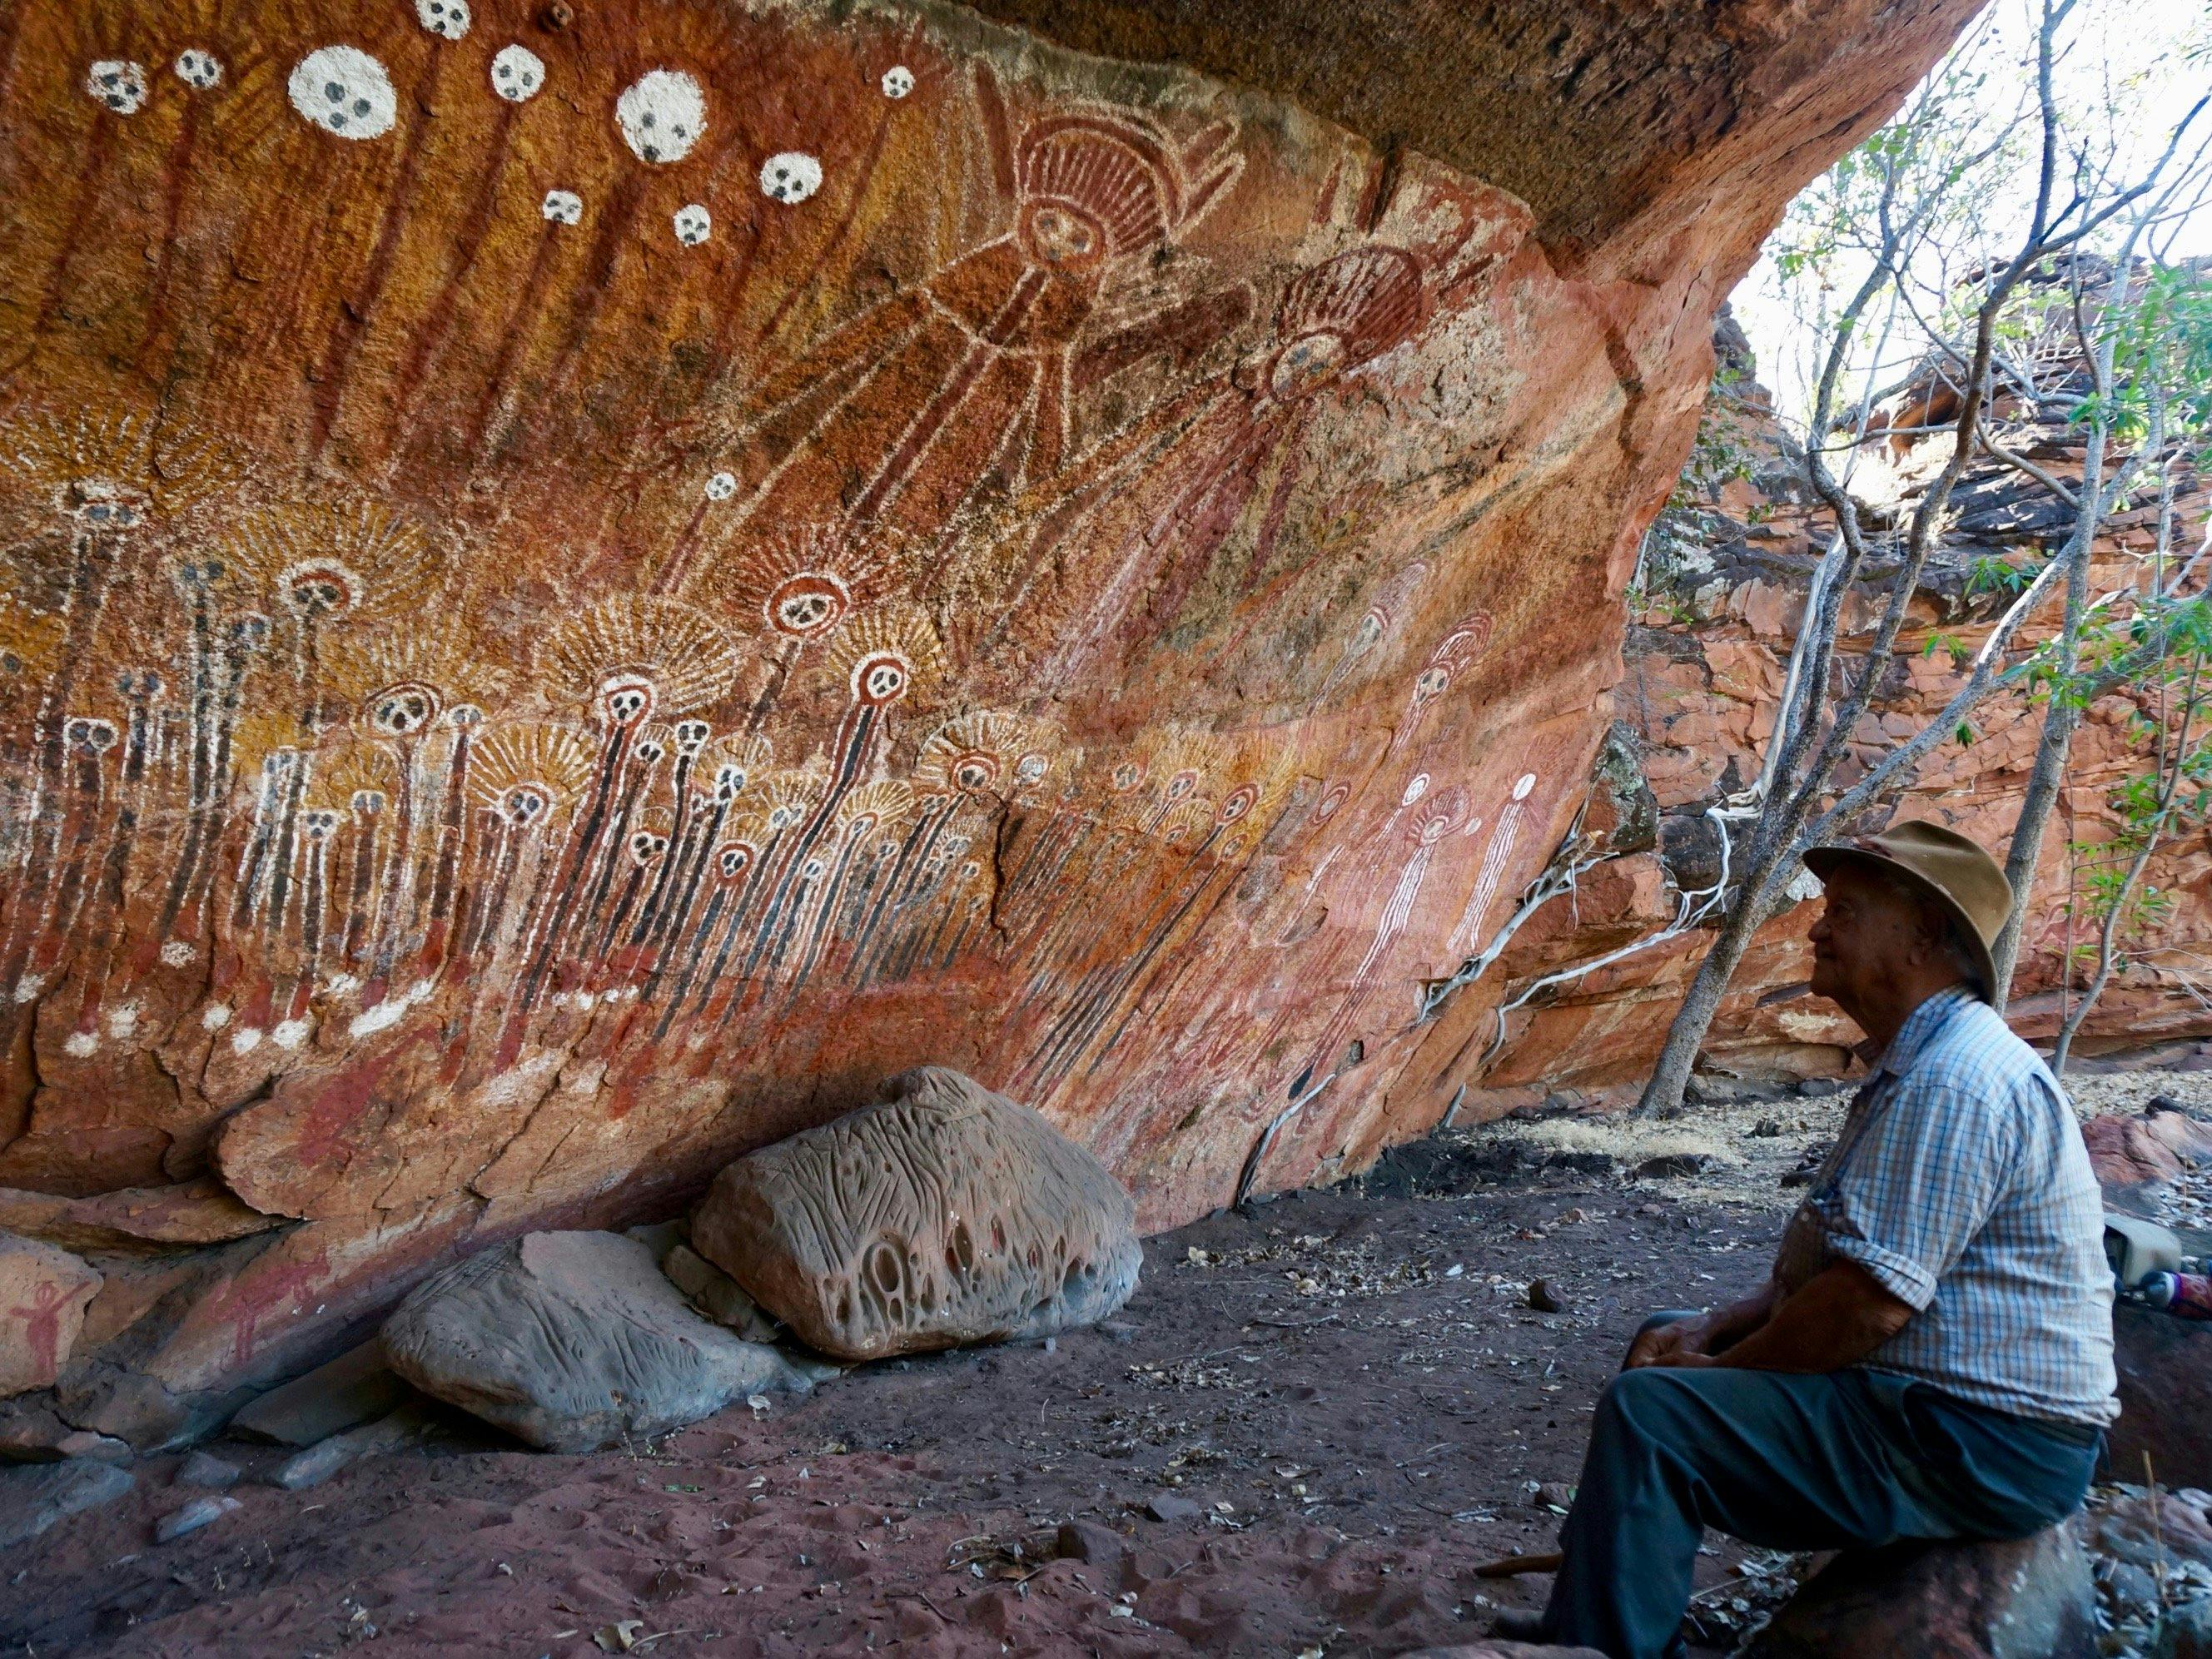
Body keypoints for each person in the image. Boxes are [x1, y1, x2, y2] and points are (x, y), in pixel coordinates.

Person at [1514, 820, 2117, 1659]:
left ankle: (1604, 1647)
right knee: (1664, 1329)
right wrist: (1714, 1326)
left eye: (1847, 908)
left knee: (1653, 1413)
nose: (1816, 925)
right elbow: (1840, 1257)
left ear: (1926, 936)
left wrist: (1722, 1372)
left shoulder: (1955, 1082)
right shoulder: (1922, 1062)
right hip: (1944, 1415)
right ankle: (1591, 1611)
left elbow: (1865, 1306)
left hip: (1976, 1443)